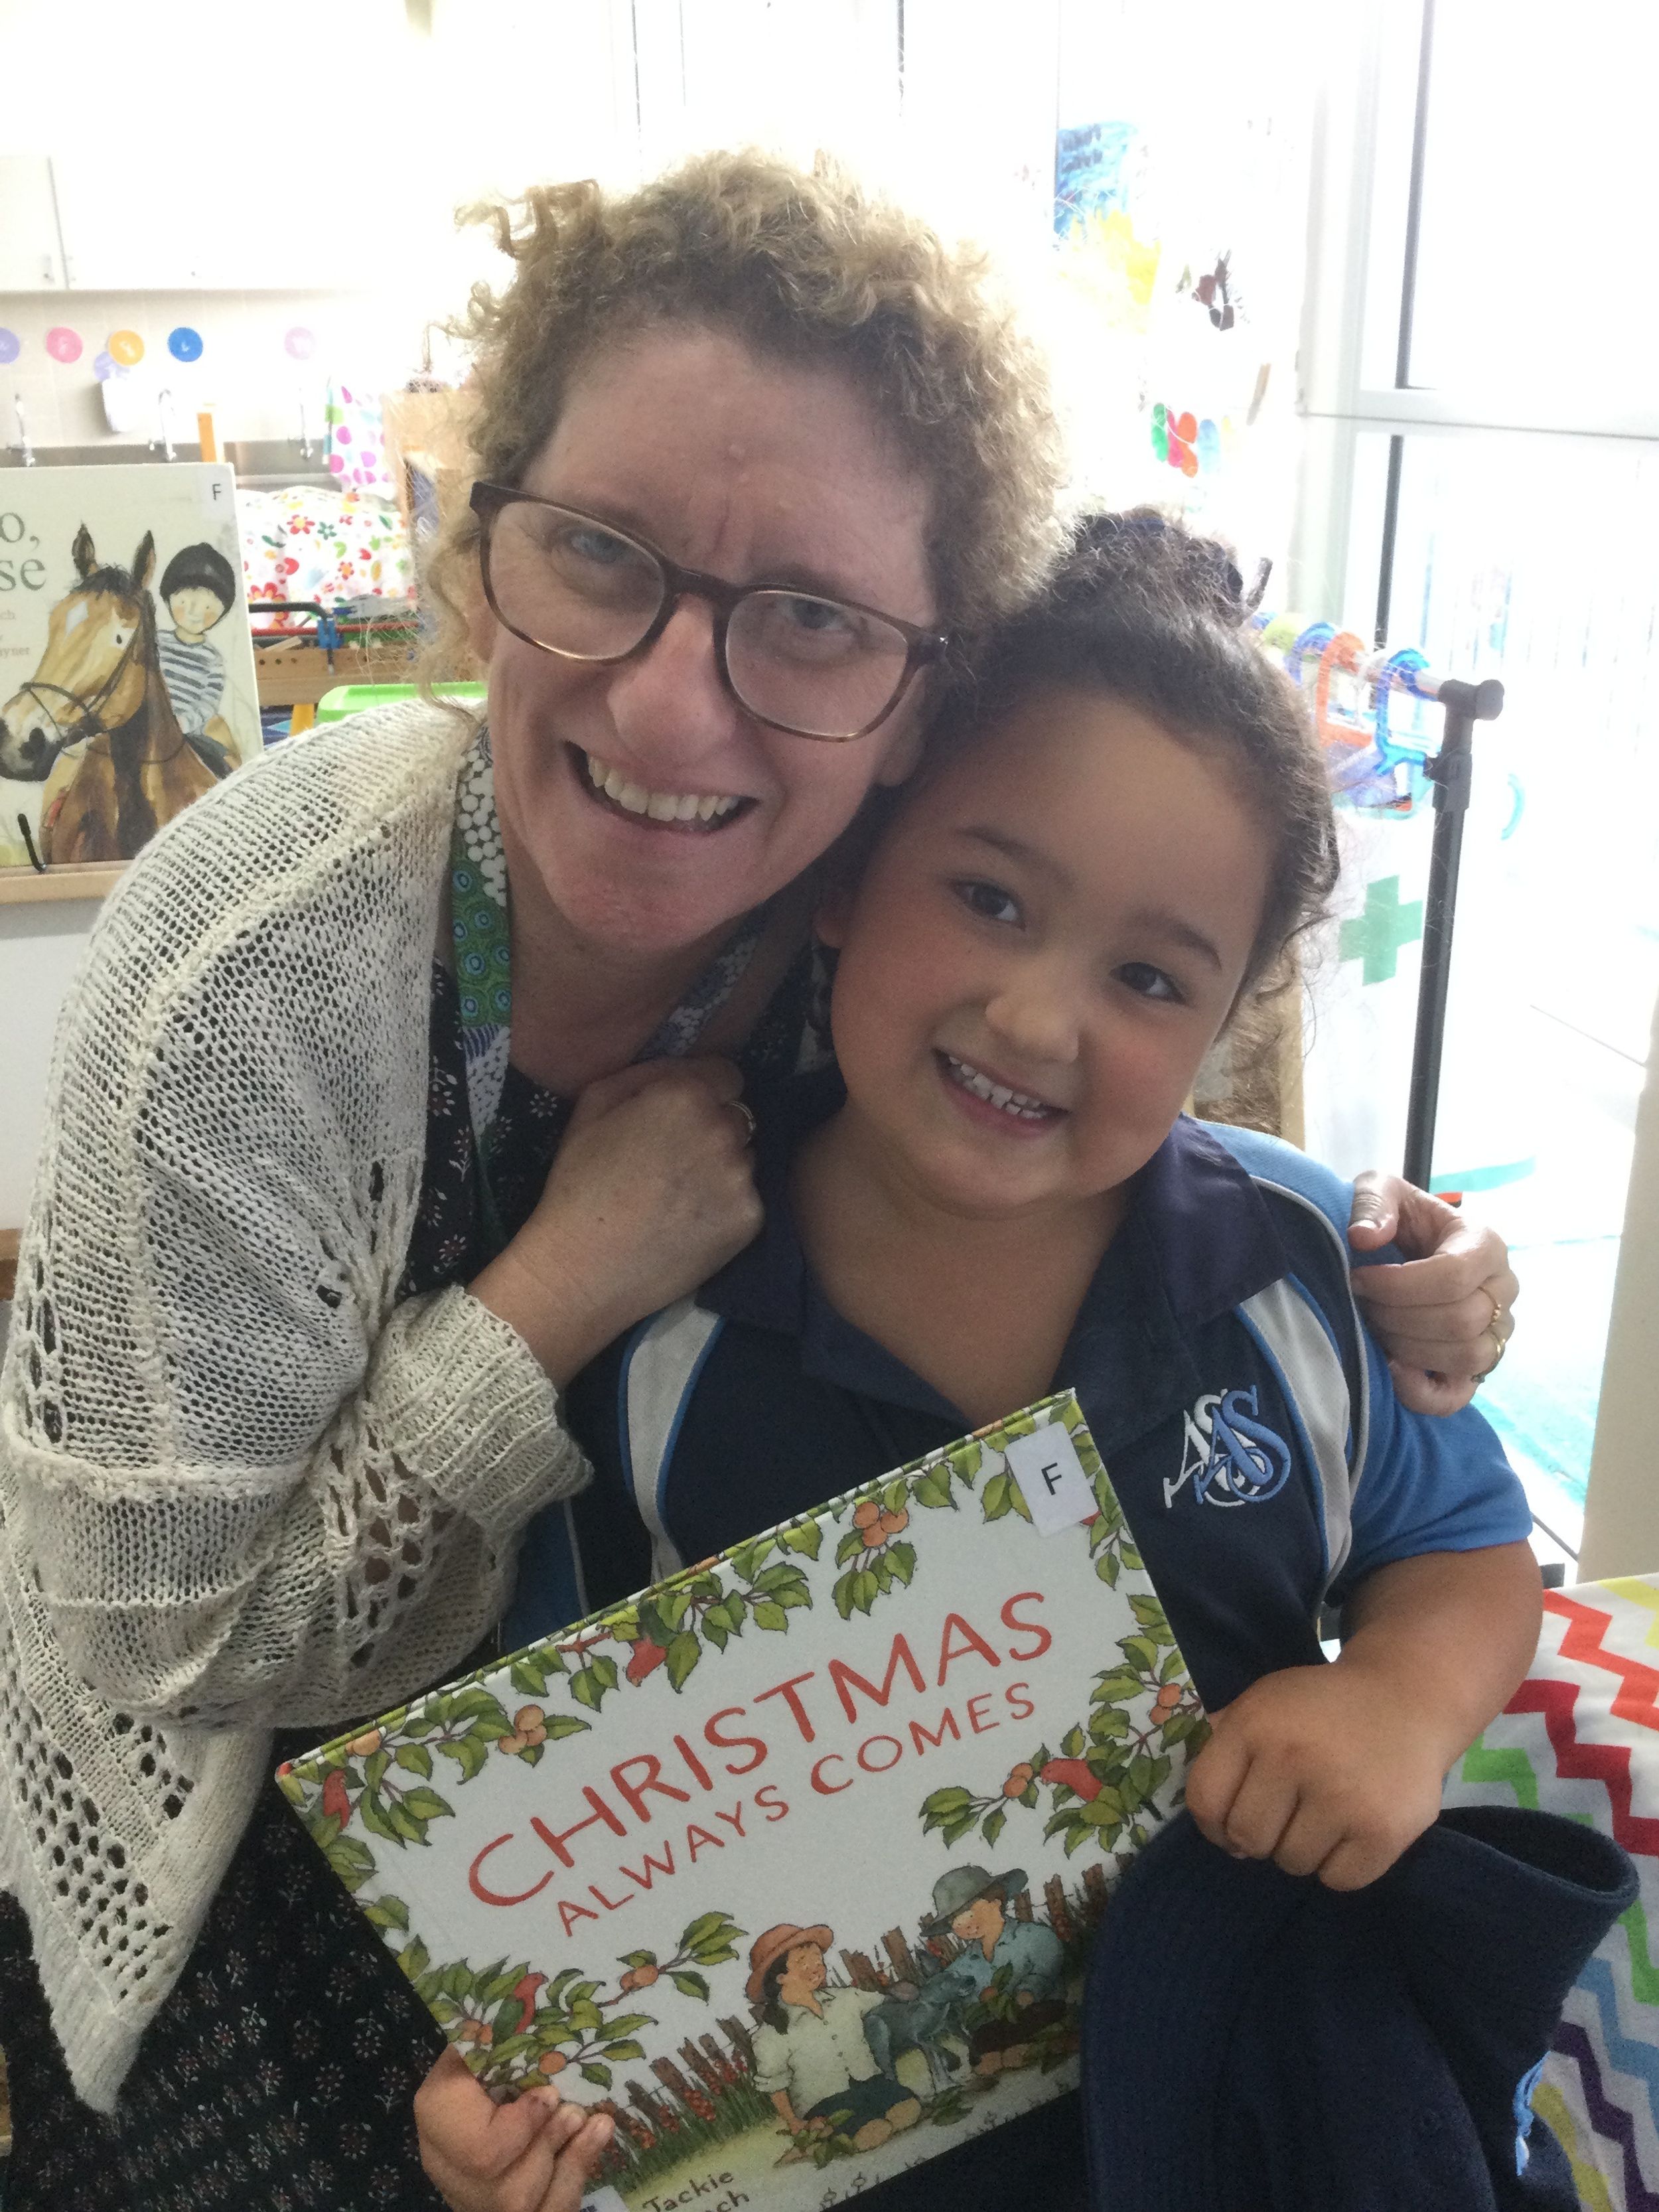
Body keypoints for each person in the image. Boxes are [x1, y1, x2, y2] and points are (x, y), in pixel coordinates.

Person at [0, 151, 1512, 2212]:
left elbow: (1177, 1160)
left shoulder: (892, 938)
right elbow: (177, 1648)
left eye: (806, 616)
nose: (670, 696)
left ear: (913, 701)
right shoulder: (254, 974)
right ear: (483, 546)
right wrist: (561, 1289)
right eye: (598, 550)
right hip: (253, 1848)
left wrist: (1398, 1259)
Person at [429, 514, 1541, 2210]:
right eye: (987, 896)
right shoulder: (657, 1318)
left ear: (1227, 1019)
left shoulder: (1306, 1268)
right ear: (847, 883)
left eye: (1149, 975)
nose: (1035, 1017)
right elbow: (558, 1780)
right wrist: (521, 2095)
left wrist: (1398, 1697)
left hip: (1260, 2094)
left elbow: (1458, 1543)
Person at [746, 1923, 923, 2156]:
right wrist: (794, 2123)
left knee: (908, 2111)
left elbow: (881, 2000)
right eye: (802, 1961)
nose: (816, 1966)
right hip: (826, 2103)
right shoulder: (771, 2034)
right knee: (871, 2132)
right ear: (780, 1977)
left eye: (817, 1958)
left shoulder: (844, 1998)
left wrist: (901, 1993)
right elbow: (775, 2084)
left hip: (871, 2084)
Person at [912, 1864, 1068, 2079]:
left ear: (996, 1901)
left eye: (971, 1913)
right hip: (997, 2023)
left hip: (1039, 2008)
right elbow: (959, 1995)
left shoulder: (1032, 1935)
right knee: (984, 2041)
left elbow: (1047, 1964)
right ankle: (999, 2057)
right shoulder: (964, 1965)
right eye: (957, 1922)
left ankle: (1035, 2047)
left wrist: (1028, 1992)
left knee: (1032, 2022)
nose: (967, 1925)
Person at [155, 540, 239, 776]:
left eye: (208, 608)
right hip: (146, 724)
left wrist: (183, 723)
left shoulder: (213, 660)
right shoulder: (153, 642)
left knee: (220, 765)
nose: (194, 614)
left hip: (189, 733)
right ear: (169, 599)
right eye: (184, 602)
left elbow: (208, 703)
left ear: (222, 613)